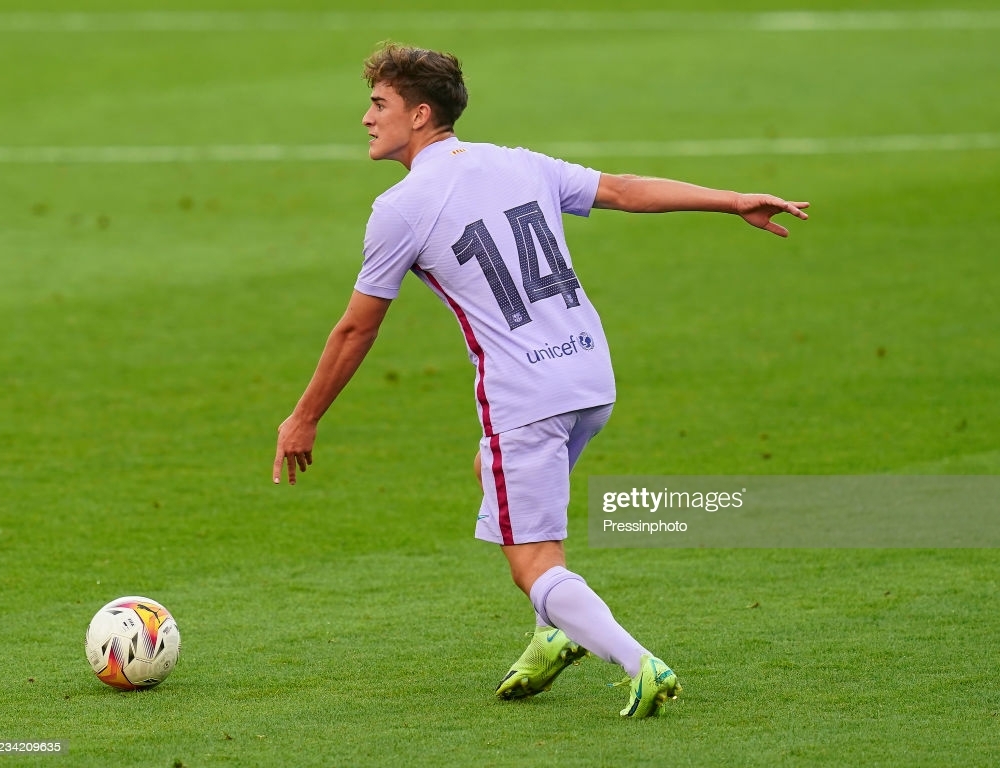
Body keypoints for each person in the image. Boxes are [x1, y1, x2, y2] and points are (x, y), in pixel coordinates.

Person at [272, 42, 808, 718]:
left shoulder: (401, 208)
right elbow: (622, 190)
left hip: (525, 397)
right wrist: (731, 200)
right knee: (486, 470)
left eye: (379, 104)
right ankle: (554, 632)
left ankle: (637, 661)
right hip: (590, 377)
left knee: (534, 560)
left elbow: (356, 329)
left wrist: (305, 416)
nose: (366, 118)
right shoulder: (518, 162)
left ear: (420, 114)